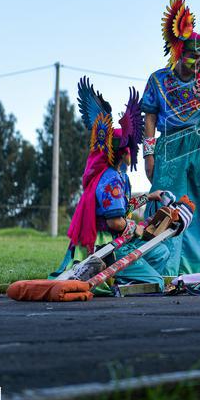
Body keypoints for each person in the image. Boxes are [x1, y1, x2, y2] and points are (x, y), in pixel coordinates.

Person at [141, 0, 200, 276]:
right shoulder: (157, 80)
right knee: (165, 208)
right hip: (169, 150)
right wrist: (149, 155)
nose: (198, 62)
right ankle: (161, 271)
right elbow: (149, 118)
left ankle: (194, 272)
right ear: (179, 52)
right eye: (193, 56)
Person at [54, 77, 172, 291]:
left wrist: (150, 196)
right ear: (122, 152)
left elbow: (121, 207)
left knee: (161, 252)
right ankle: (119, 280)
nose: (133, 151)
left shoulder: (120, 176)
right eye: (130, 148)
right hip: (107, 247)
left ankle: (129, 278)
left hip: (120, 239)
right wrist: (137, 228)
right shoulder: (111, 179)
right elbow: (115, 222)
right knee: (156, 283)